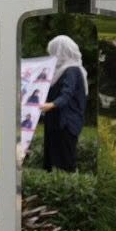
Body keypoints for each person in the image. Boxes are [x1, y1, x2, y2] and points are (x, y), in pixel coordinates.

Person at [40, 34, 87, 172]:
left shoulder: (72, 70)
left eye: (54, 51)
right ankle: (51, 190)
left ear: (62, 52)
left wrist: (52, 105)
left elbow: (67, 93)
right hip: (54, 121)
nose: (52, 55)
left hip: (66, 123)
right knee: (51, 160)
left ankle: (68, 192)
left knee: (65, 161)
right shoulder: (57, 72)